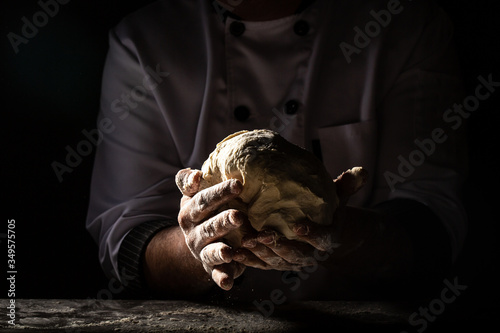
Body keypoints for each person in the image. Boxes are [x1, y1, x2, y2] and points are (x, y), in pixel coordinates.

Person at [86, 0, 467, 300]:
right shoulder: (145, 40)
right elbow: (125, 242)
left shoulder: (403, 24)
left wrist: (347, 234)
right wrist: (197, 245)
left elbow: (434, 226)